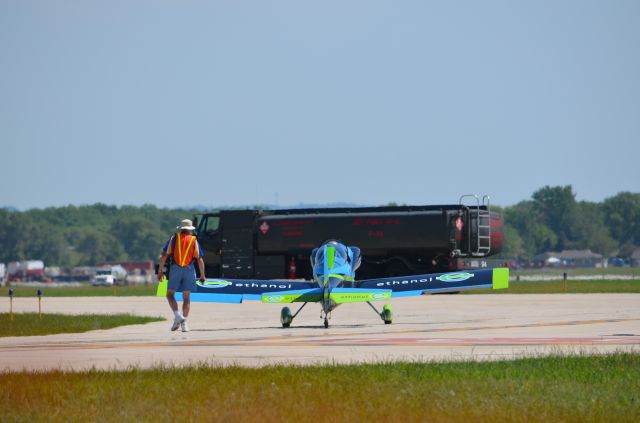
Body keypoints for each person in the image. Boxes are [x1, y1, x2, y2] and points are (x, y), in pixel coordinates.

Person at [157, 219, 205, 332]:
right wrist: (202, 275)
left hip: (176, 268)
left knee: (170, 295)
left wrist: (160, 270)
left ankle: (178, 316)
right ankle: (184, 324)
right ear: (190, 230)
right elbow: (200, 259)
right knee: (186, 297)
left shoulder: (174, 239)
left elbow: (164, 256)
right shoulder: (194, 240)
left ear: (181, 229)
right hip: (189, 269)